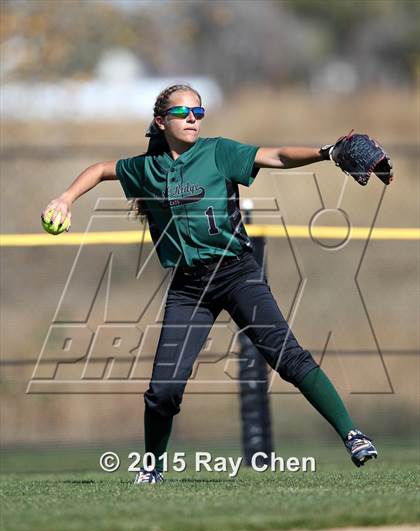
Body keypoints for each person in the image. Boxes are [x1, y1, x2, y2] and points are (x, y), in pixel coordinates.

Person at [41, 83, 378, 484]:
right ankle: (152, 467)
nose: (192, 120)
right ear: (160, 121)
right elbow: (99, 170)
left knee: (287, 356)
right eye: (183, 113)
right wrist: (65, 198)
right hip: (188, 287)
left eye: (197, 113)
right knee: (163, 390)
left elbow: (275, 156)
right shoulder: (145, 169)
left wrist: (326, 153)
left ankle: (352, 434)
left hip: (237, 274)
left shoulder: (218, 151)